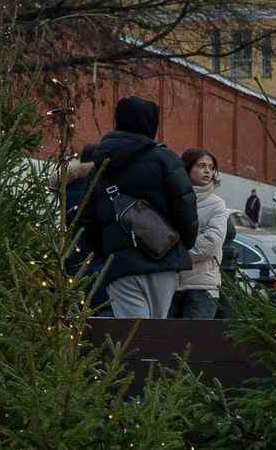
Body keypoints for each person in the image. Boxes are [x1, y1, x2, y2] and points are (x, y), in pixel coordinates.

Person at [79, 96, 198, 320]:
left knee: (131, 338)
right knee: (156, 331)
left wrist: (112, 251)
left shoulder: (98, 169)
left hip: (122, 267)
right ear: (150, 123)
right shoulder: (165, 159)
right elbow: (186, 208)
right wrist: (180, 244)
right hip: (163, 259)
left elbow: (86, 222)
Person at [172, 148, 233, 318]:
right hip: (171, 285)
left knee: (195, 341)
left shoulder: (216, 204)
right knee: (168, 340)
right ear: (187, 168)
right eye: (201, 165)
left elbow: (211, 244)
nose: (207, 171)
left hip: (203, 288)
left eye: (211, 167)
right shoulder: (172, 201)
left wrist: (177, 254)